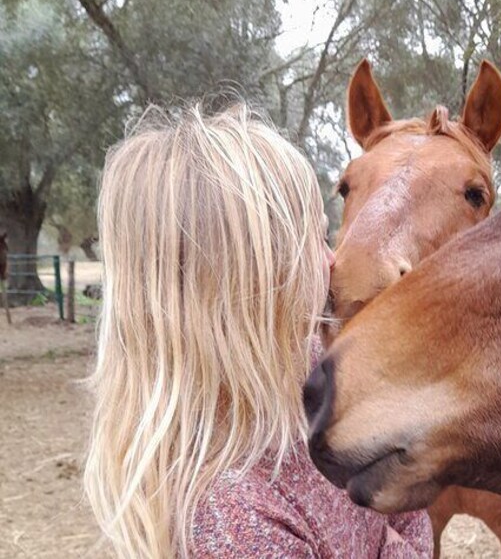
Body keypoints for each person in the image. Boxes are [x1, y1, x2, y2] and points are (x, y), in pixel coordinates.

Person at [84, 104, 432, 558]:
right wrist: (390, 546)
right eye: (317, 238)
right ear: (254, 280)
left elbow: (409, 505)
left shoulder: (315, 368)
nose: (332, 261)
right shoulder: (232, 524)